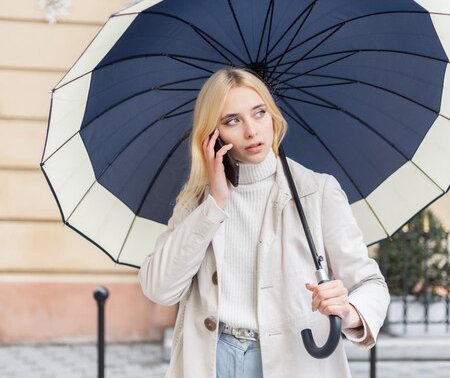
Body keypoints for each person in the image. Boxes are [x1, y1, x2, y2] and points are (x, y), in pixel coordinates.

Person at [139, 67, 390, 378]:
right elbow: (160, 288)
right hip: (212, 359)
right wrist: (214, 204)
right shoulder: (196, 202)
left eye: (259, 113)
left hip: (295, 360)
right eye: (232, 120)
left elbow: (371, 285)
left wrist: (348, 311)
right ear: (212, 135)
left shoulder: (316, 191)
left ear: (273, 116)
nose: (251, 131)